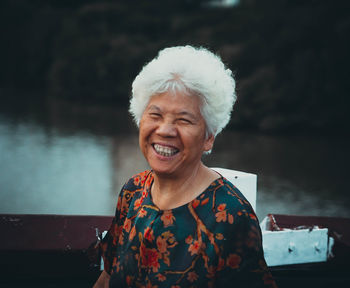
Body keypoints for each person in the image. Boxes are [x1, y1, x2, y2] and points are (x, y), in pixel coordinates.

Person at [93, 45, 277, 288]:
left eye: (183, 120)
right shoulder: (133, 191)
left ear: (208, 136)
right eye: (155, 115)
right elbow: (107, 279)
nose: (165, 130)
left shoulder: (231, 216)